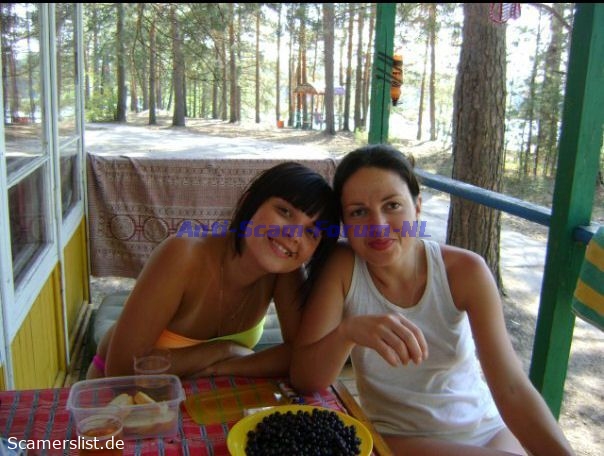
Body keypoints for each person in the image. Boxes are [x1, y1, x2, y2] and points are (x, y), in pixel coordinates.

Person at [290, 145, 575, 456]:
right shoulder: (343, 267)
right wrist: (349, 332)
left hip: (486, 429)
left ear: (417, 208)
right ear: (344, 222)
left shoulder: (465, 271)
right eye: (358, 212)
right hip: (397, 438)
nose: (378, 225)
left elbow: (512, 388)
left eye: (392, 205)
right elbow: (306, 378)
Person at [87, 162, 339, 379]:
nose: (293, 235)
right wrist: (224, 351)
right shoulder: (184, 255)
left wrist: (222, 368)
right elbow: (122, 370)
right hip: (117, 399)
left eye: (311, 232)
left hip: (203, 394)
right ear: (251, 201)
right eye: (284, 211)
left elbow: (300, 355)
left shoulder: (285, 272)